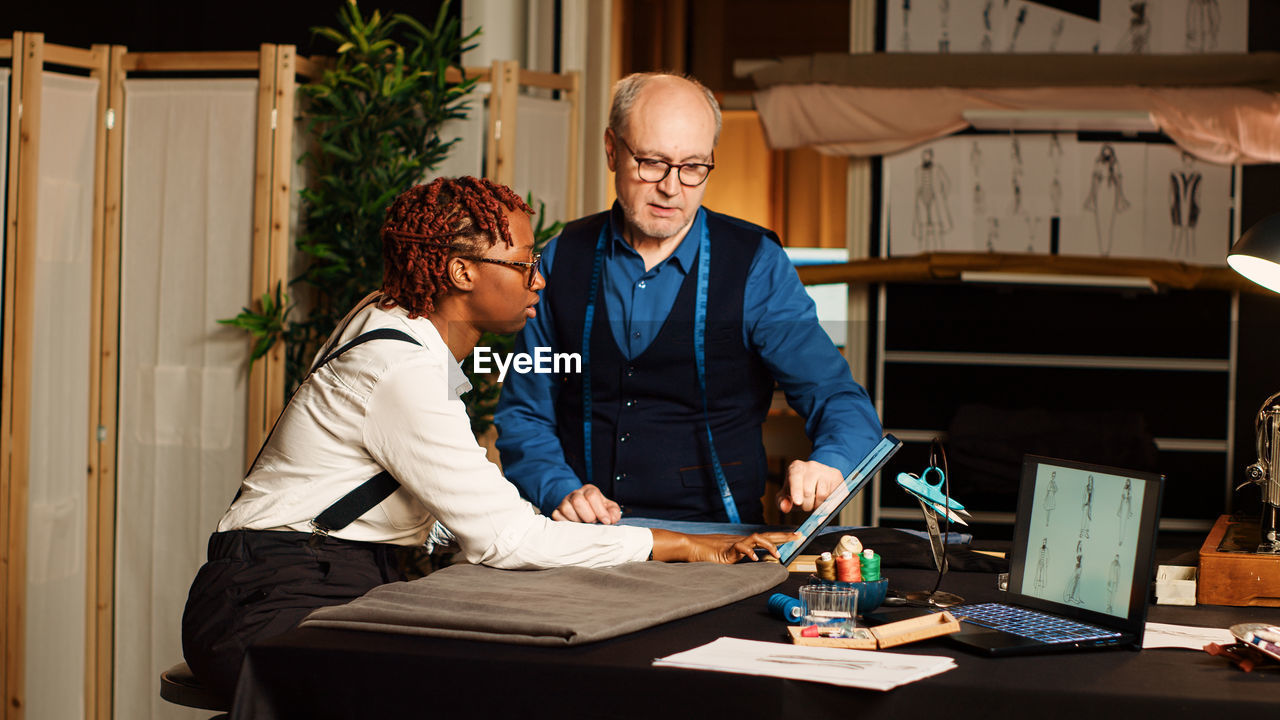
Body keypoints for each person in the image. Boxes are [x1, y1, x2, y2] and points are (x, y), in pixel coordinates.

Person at [181, 176, 793, 703]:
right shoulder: (405, 370)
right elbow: (506, 539)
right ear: (459, 271)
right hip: (273, 601)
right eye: (525, 264)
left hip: (332, 579)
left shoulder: (396, 318)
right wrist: (682, 546)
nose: (539, 282)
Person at [494, 73, 882, 526]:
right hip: (586, 540)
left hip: (718, 542)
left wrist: (829, 465)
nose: (672, 188)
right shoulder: (563, 257)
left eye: (694, 166)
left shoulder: (755, 264)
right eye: (653, 162)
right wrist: (559, 489)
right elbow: (524, 409)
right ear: (611, 149)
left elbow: (837, 397)